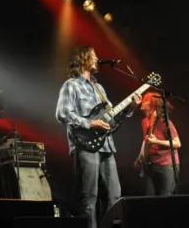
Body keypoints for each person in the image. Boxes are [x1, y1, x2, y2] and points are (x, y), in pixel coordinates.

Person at [55, 46, 141, 228]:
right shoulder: (71, 85)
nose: (97, 59)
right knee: (89, 197)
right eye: (93, 56)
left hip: (106, 146)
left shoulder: (99, 87)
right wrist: (91, 123)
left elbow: (113, 115)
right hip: (85, 145)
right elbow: (62, 114)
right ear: (83, 59)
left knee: (114, 196)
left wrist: (131, 106)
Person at [134, 91, 181, 196]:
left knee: (165, 196)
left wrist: (157, 141)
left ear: (152, 104)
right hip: (151, 165)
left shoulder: (164, 121)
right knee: (150, 196)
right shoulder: (145, 121)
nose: (142, 101)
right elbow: (145, 140)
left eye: (145, 100)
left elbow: (177, 143)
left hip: (166, 165)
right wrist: (140, 157)